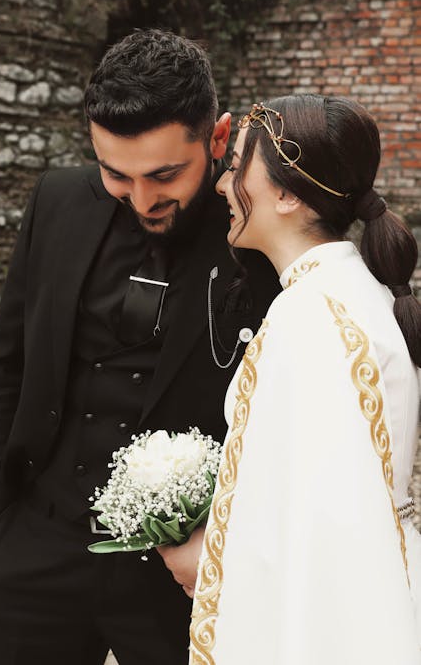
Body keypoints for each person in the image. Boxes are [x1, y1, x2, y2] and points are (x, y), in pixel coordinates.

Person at [0, 29, 280, 665]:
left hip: (179, 570)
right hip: (36, 548)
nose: (142, 198)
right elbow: (9, 359)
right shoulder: (56, 200)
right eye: (117, 173)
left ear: (217, 140)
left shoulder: (260, 237)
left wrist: (223, 552)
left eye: (165, 174)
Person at [160, 94, 421, 664]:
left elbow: (318, 526)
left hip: (331, 619)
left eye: (235, 170)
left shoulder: (312, 319)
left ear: (286, 192)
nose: (223, 187)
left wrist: (210, 557)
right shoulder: (349, 293)